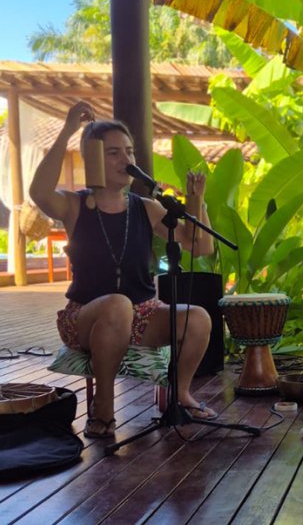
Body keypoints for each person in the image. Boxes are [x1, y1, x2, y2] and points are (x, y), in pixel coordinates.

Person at [29, 101, 217, 438]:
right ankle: (104, 408)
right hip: (85, 317)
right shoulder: (74, 204)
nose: (126, 160)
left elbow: (201, 246)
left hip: (142, 314)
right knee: (117, 304)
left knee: (198, 317)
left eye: (128, 151)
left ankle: (181, 394)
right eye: (114, 153)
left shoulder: (146, 208)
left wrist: (196, 201)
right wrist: (68, 130)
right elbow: (39, 192)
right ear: (93, 159)